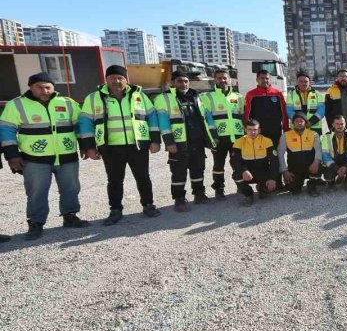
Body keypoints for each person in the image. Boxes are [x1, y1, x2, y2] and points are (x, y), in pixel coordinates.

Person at [0, 72, 89, 240]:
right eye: (39, 87)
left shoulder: (67, 103)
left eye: (48, 87)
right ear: (30, 87)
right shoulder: (16, 105)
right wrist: (12, 155)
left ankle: (70, 216)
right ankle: (36, 223)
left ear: (53, 87)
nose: (44, 91)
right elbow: (6, 130)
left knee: (71, 188)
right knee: (36, 192)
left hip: (67, 156)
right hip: (34, 159)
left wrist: (85, 146)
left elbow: (81, 125)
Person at [79, 65, 162, 225]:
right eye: (112, 78)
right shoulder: (94, 98)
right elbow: (85, 122)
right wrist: (90, 147)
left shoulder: (139, 95)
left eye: (120, 78)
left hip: (137, 145)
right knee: (114, 180)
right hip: (110, 147)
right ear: (106, 79)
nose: (116, 81)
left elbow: (152, 117)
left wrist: (155, 140)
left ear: (126, 80)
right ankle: (115, 210)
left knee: (143, 177)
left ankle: (148, 205)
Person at [154, 70, 218, 211]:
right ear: (173, 82)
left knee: (198, 169)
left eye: (186, 81)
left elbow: (207, 117)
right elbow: (163, 123)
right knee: (178, 171)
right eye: (179, 81)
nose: (183, 84)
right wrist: (169, 142)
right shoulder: (164, 98)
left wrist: (212, 137)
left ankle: (199, 194)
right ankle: (179, 199)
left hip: (197, 140)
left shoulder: (198, 96)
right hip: (178, 142)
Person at [202, 68, 245, 199]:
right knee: (218, 165)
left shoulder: (238, 97)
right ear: (215, 80)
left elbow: (243, 117)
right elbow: (207, 119)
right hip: (219, 138)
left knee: (238, 163)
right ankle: (219, 189)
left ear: (229, 79)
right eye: (219, 78)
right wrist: (212, 137)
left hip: (237, 138)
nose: (223, 80)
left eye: (225, 78)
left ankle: (241, 186)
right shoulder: (207, 97)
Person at [230, 119, 278, 206]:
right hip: (248, 172)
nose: (252, 132)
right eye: (249, 129)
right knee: (237, 175)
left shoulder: (267, 141)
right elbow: (234, 161)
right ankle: (248, 194)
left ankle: (262, 188)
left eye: (255, 129)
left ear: (259, 130)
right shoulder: (239, 142)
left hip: (262, 171)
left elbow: (274, 161)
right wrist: (244, 170)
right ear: (245, 130)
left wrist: (273, 178)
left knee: (269, 190)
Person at [278, 113, 323, 197]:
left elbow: (318, 150)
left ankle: (312, 184)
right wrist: (284, 171)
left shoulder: (314, 134)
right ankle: (299, 182)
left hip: (310, 167)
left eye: (301, 121)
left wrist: (316, 163)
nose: (299, 123)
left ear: (305, 123)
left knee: (319, 166)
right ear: (293, 123)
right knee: (292, 188)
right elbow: (280, 154)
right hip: (295, 169)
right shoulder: (285, 135)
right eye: (296, 121)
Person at [244, 69, 289, 148]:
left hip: (275, 131)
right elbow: (247, 113)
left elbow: (284, 113)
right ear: (257, 80)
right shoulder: (251, 94)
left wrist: (286, 128)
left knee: (275, 153)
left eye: (267, 78)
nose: (265, 80)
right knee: (261, 154)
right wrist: (247, 129)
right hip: (259, 131)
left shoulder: (277, 93)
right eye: (262, 78)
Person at [321, 115, 347, 189]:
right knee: (328, 174)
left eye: (342, 124)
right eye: (337, 124)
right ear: (333, 124)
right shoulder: (326, 137)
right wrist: (337, 169)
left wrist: (346, 167)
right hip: (333, 162)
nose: (340, 126)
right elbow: (325, 155)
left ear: (345, 124)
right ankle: (331, 182)